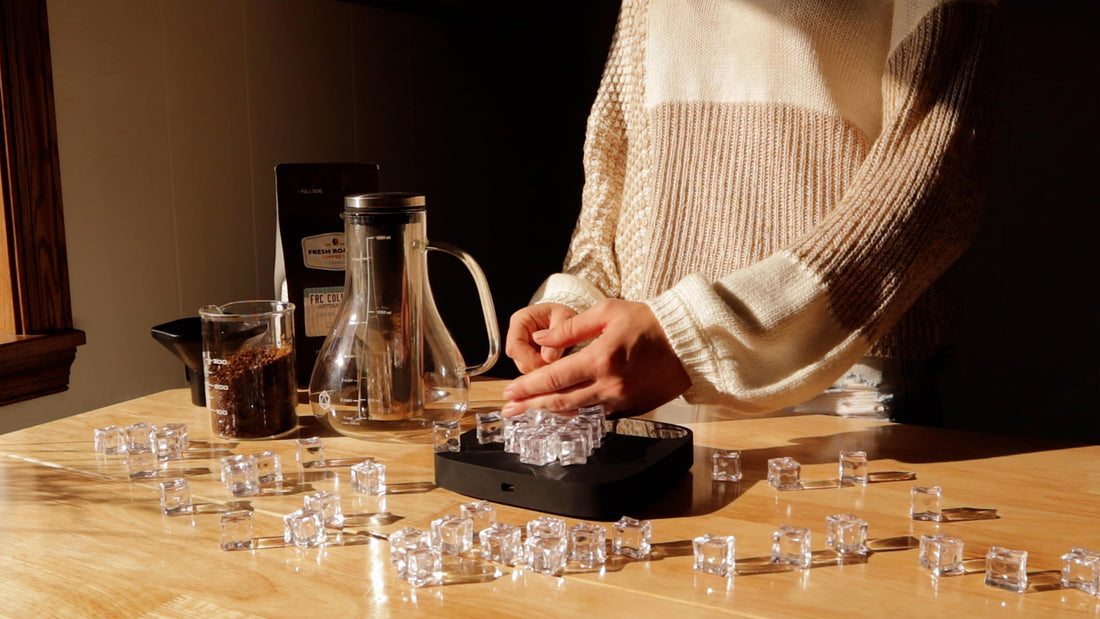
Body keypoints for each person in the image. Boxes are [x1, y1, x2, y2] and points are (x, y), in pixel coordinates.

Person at [501, 0, 1000, 425]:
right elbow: (617, 155)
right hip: (643, 373)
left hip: (836, 377)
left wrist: (694, 336)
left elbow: (928, 180)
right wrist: (582, 303)